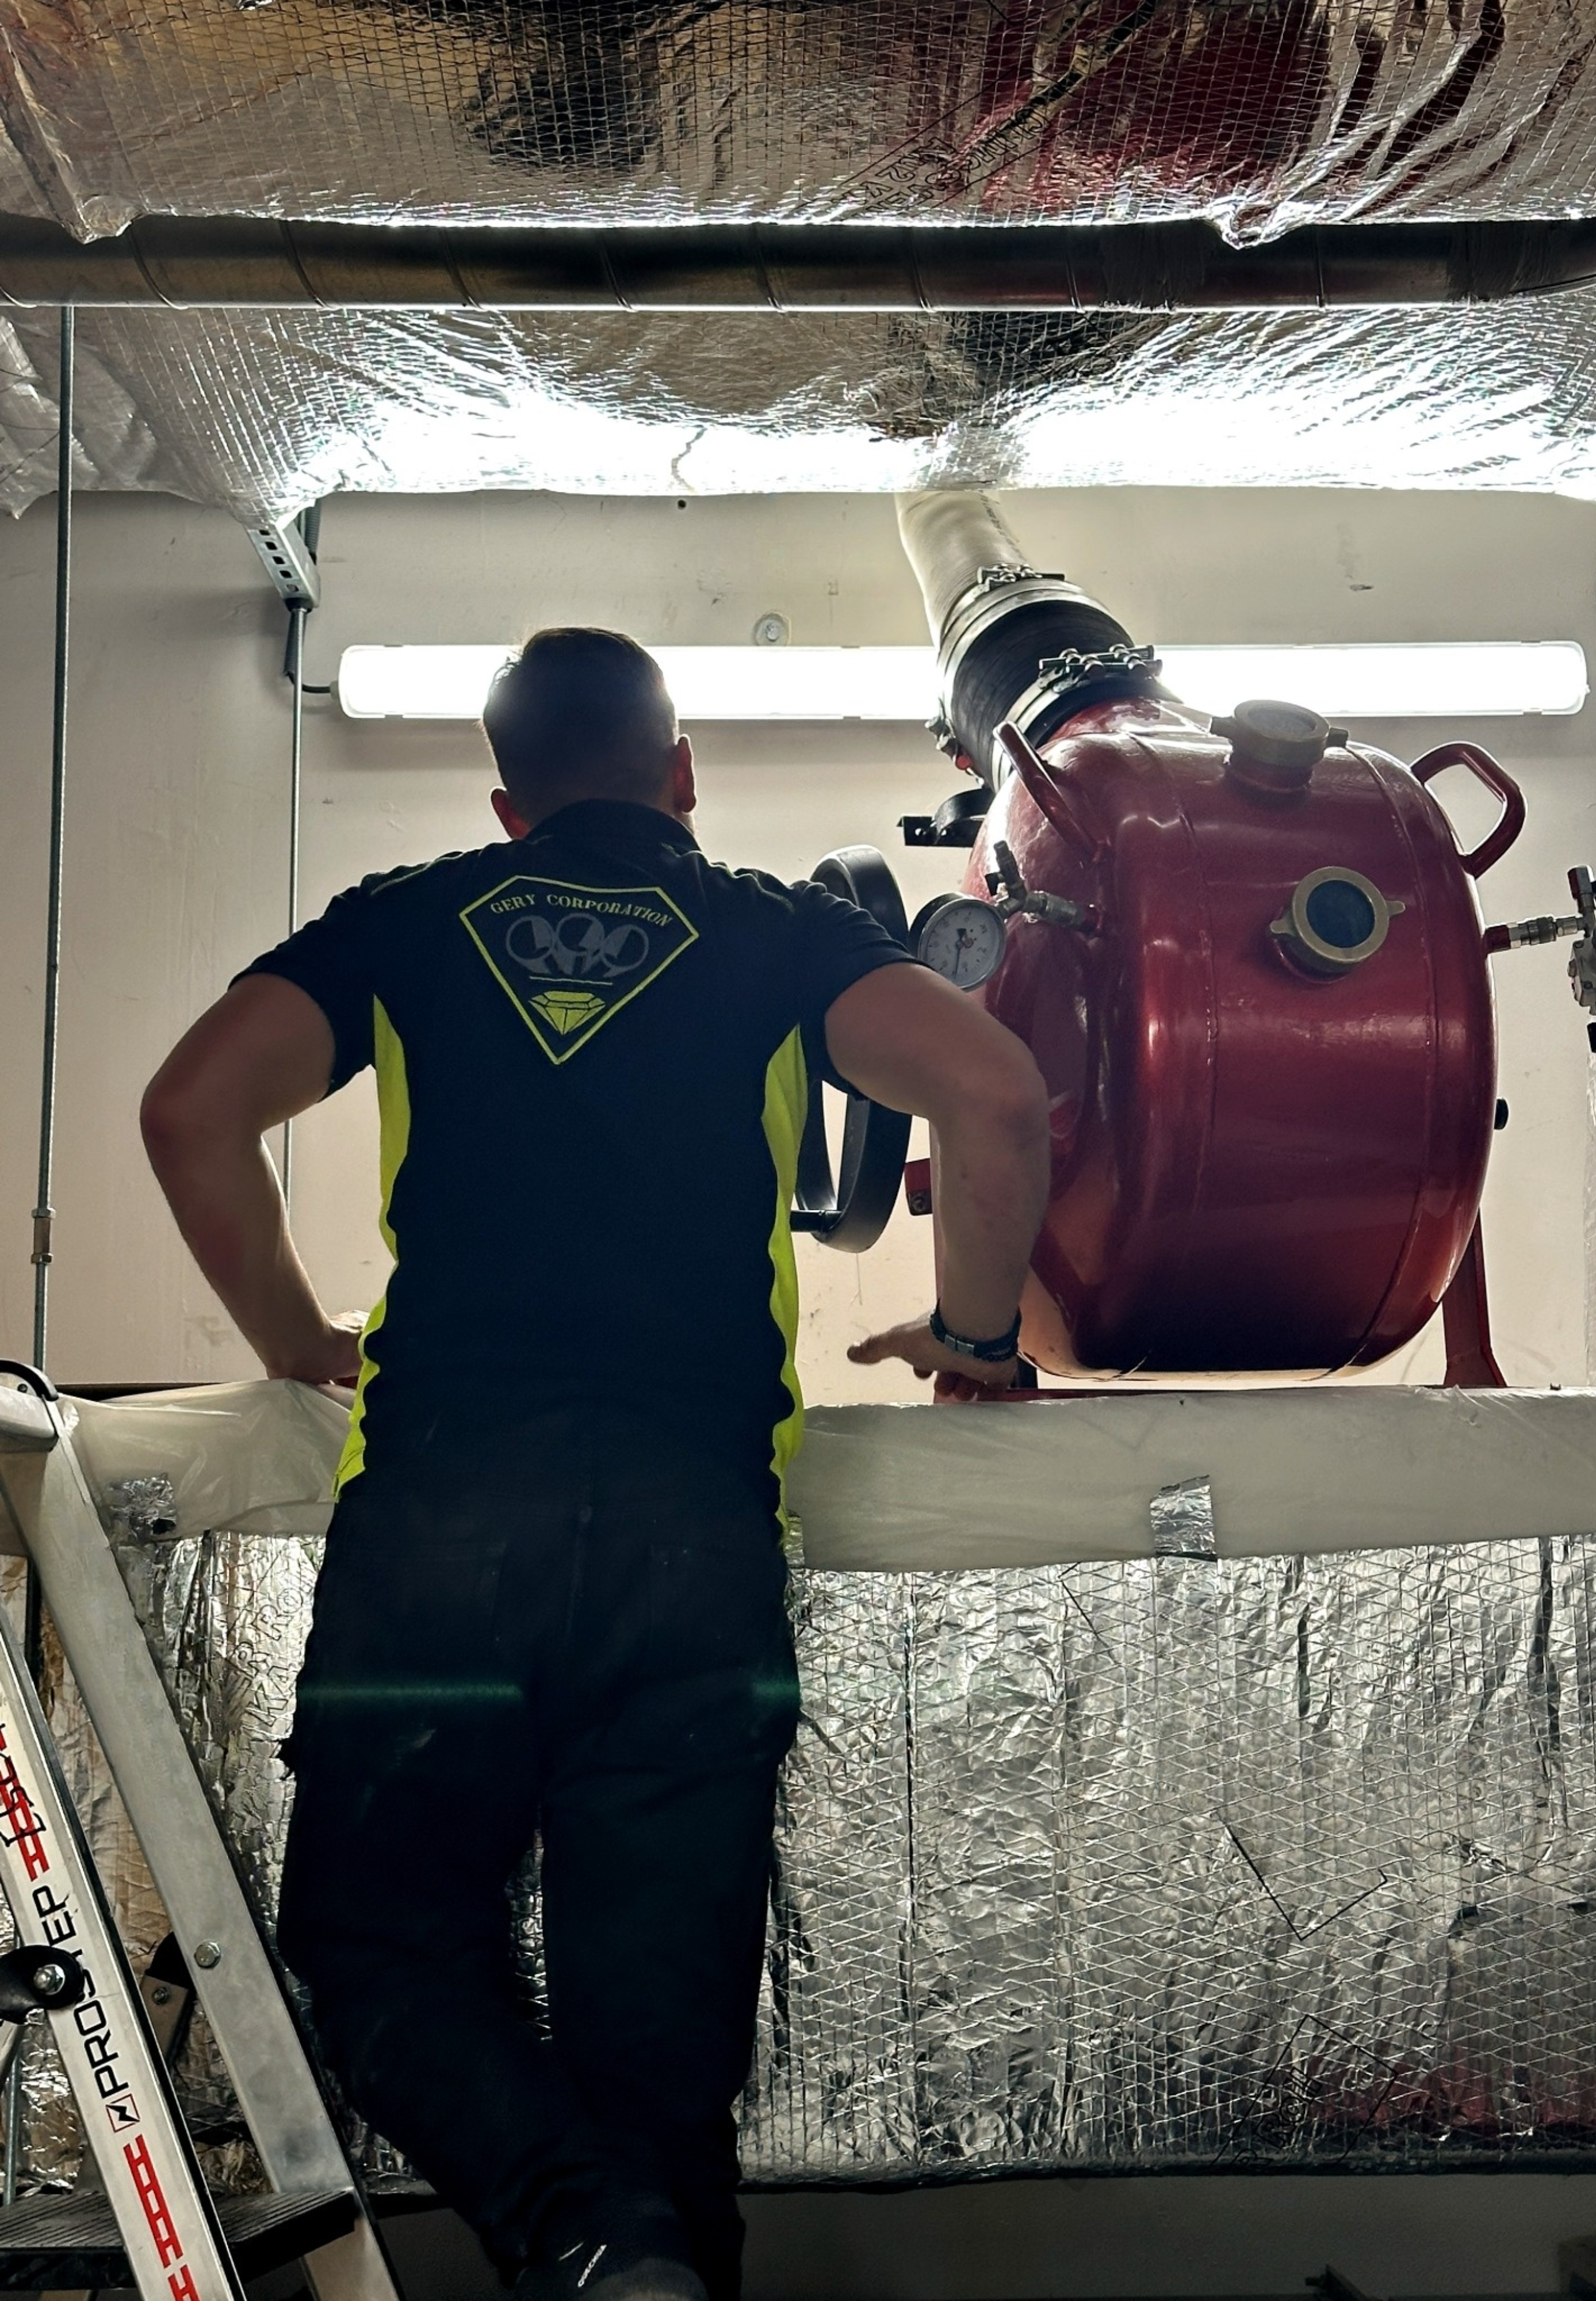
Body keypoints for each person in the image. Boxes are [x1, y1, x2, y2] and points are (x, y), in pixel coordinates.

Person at [140, 628, 1049, 2301]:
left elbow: (190, 1109)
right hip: (687, 1537)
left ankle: (582, 2231)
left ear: (506, 807)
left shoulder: (411, 918)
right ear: (682, 776)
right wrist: (973, 1341)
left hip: (439, 1525)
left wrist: (288, 1341)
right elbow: (995, 1093)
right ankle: (633, 2236)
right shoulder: (779, 929)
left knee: (385, 1947)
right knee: (656, 2048)